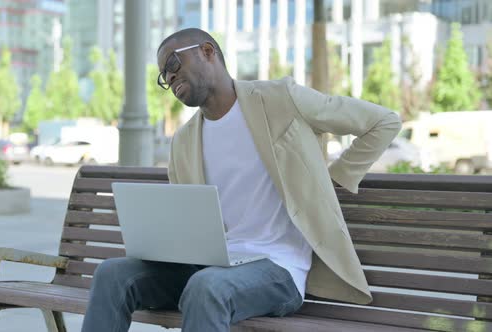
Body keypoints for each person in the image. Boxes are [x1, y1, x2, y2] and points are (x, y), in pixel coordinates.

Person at [82, 28, 401, 332]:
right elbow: (187, 223)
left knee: (208, 287)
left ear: (208, 52)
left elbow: (383, 121)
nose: (170, 78)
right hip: (210, 268)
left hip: (278, 269)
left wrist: (335, 178)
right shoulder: (183, 141)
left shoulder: (280, 98)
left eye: (173, 65)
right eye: (164, 77)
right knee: (113, 273)